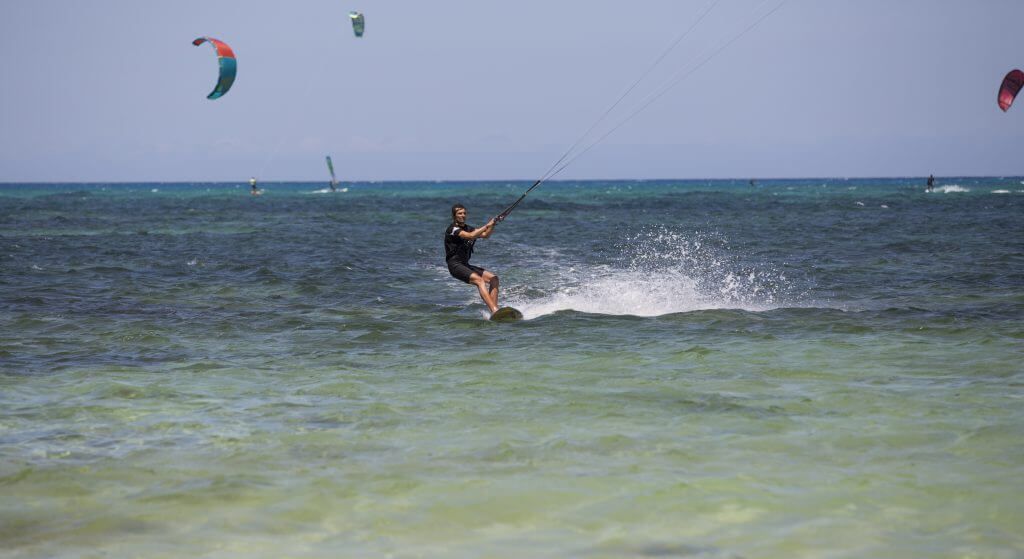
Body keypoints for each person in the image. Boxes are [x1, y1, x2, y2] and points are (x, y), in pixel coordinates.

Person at [444, 203, 500, 314]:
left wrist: (493, 224)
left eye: (464, 213)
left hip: (465, 264)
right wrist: (487, 225)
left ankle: (494, 311)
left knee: (494, 279)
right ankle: (494, 310)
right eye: (460, 213)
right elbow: (469, 236)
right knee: (479, 281)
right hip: (455, 265)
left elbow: (485, 235)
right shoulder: (452, 229)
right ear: (454, 216)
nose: (463, 215)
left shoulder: (469, 228)